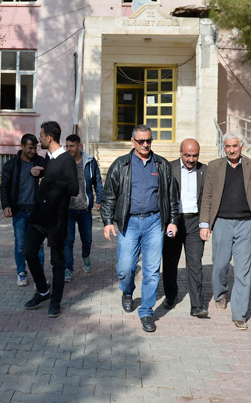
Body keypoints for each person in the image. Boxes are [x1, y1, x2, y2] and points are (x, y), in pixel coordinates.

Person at [101, 124, 179, 333]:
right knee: (126, 268)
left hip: (155, 222)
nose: (146, 145)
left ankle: (146, 311)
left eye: (149, 141)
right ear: (133, 142)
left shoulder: (161, 165)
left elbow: (172, 197)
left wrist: (172, 220)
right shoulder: (121, 165)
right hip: (129, 222)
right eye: (141, 141)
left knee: (152, 271)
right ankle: (127, 292)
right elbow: (109, 197)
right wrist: (108, 221)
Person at [199, 131, 251, 330]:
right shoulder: (214, 166)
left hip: (246, 223)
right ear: (224, 147)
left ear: (242, 146)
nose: (231, 150)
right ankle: (220, 293)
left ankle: (239, 314)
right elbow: (208, 196)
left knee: (243, 270)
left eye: (234, 146)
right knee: (219, 264)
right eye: (227, 146)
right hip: (221, 222)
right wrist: (205, 224)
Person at [22, 121, 79, 318]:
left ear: (49, 138)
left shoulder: (67, 160)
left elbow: (74, 188)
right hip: (39, 217)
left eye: (41, 135)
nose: (39, 139)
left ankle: (55, 302)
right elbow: (52, 177)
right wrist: (40, 172)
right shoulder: (48, 157)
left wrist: (51, 180)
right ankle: (43, 291)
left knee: (57, 262)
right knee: (28, 251)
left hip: (57, 220)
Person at [162, 138, 209, 318]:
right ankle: (171, 296)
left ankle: (197, 305)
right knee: (170, 261)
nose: (191, 159)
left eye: (195, 155)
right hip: (174, 221)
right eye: (187, 155)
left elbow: (207, 198)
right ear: (180, 153)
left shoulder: (205, 170)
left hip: (195, 222)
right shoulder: (169, 168)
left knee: (195, 264)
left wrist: (206, 224)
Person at [0, 133, 46, 287]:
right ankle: (21, 273)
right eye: (30, 148)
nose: (33, 151)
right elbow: (4, 187)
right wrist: (6, 205)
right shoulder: (11, 165)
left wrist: (43, 173)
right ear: (22, 147)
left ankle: (39, 275)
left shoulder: (40, 162)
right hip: (19, 212)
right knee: (20, 244)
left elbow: (52, 175)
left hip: (37, 211)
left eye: (35, 148)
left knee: (38, 246)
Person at [63, 134, 103, 282]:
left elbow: (97, 181)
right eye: (66, 146)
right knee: (68, 240)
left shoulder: (90, 161)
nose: (68, 149)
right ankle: (68, 268)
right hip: (67, 209)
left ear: (80, 146)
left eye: (71, 146)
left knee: (87, 239)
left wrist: (99, 198)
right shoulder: (63, 161)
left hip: (84, 208)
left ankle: (86, 256)